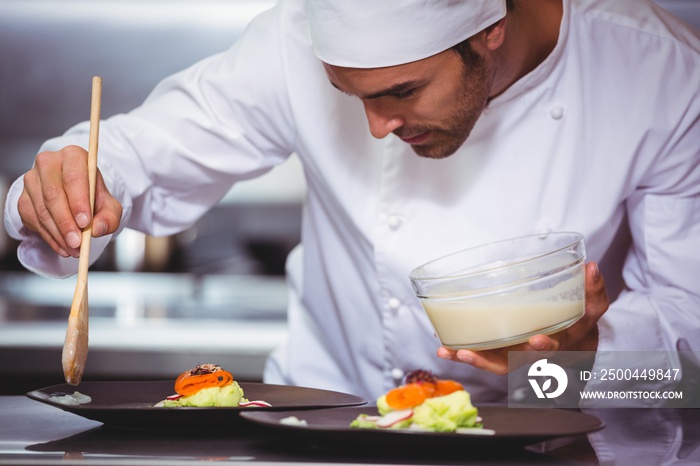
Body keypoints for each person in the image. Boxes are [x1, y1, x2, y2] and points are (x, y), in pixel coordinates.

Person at [4, 0, 699, 403]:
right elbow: (134, 154)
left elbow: (690, 356)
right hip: (322, 427)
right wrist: (74, 181)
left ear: (490, 28)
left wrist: (588, 359)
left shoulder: (661, 74)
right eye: (351, 96)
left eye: (400, 92)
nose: (376, 129)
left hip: (546, 439)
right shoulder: (288, 45)